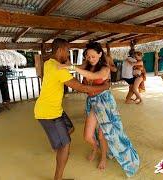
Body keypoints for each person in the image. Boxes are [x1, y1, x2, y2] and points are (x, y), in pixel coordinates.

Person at [59, 41, 140, 177]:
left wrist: (71, 67)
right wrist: (65, 66)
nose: (90, 59)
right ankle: (95, 148)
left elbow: (94, 77)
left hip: (105, 103)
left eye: (93, 56)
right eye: (88, 56)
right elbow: (82, 70)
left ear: (100, 54)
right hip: (93, 102)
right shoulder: (87, 65)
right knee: (87, 136)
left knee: (104, 134)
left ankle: (103, 157)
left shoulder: (105, 68)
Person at [34, 38, 110, 180]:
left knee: (70, 129)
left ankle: (58, 143)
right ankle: (58, 177)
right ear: (61, 50)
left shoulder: (48, 63)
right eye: (67, 51)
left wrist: (72, 65)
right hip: (49, 113)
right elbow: (82, 87)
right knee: (66, 145)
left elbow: (74, 67)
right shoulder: (59, 69)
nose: (68, 55)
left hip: (53, 110)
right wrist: (105, 87)